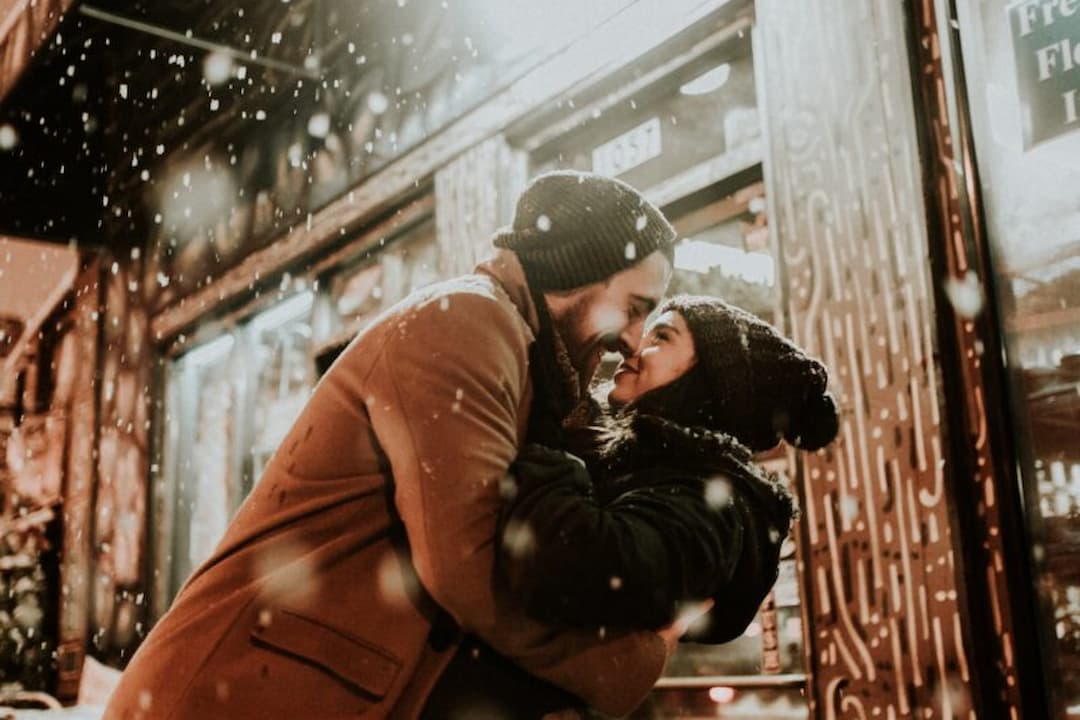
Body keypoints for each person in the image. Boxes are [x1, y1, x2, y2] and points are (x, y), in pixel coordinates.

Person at [105, 171, 679, 720]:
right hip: (232, 695)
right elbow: (465, 567)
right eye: (634, 308)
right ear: (581, 271)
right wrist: (626, 663)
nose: (633, 340)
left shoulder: (523, 357)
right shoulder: (468, 324)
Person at [422, 296, 840, 717]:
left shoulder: (712, 503)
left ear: (707, 381)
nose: (634, 346)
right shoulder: (643, 469)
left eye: (662, 336)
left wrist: (546, 441)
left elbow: (571, 563)